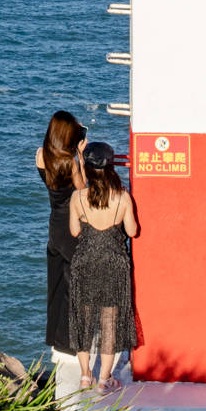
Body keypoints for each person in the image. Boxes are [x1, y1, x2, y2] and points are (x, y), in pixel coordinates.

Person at [68, 139, 138, 393]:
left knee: (83, 321)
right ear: (111, 169)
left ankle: (85, 375)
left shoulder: (77, 197)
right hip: (113, 265)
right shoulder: (122, 198)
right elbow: (133, 230)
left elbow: (75, 231)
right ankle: (104, 379)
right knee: (110, 323)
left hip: (85, 263)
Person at [35, 110, 86, 355]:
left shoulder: (41, 156)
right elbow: (83, 191)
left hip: (54, 222)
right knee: (72, 284)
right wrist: (81, 157)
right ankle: (69, 341)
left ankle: (55, 336)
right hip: (71, 225)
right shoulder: (71, 163)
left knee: (55, 283)